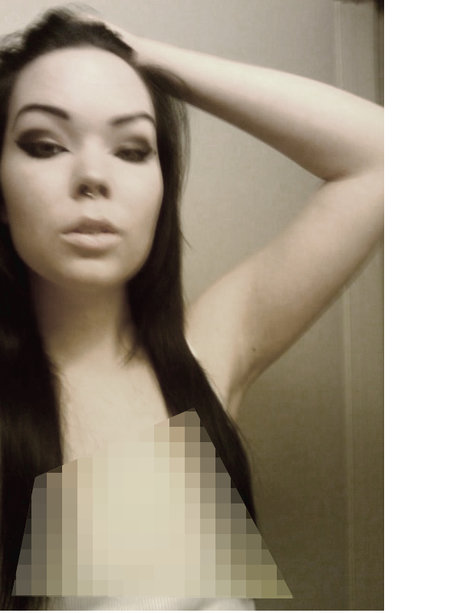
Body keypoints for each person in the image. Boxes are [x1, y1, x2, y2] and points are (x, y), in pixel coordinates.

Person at [0, 6, 383, 610]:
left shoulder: (203, 357)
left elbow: (387, 157)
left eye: (132, 149)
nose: (92, 176)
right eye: (44, 145)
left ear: (163, 185)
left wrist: (144, 55)